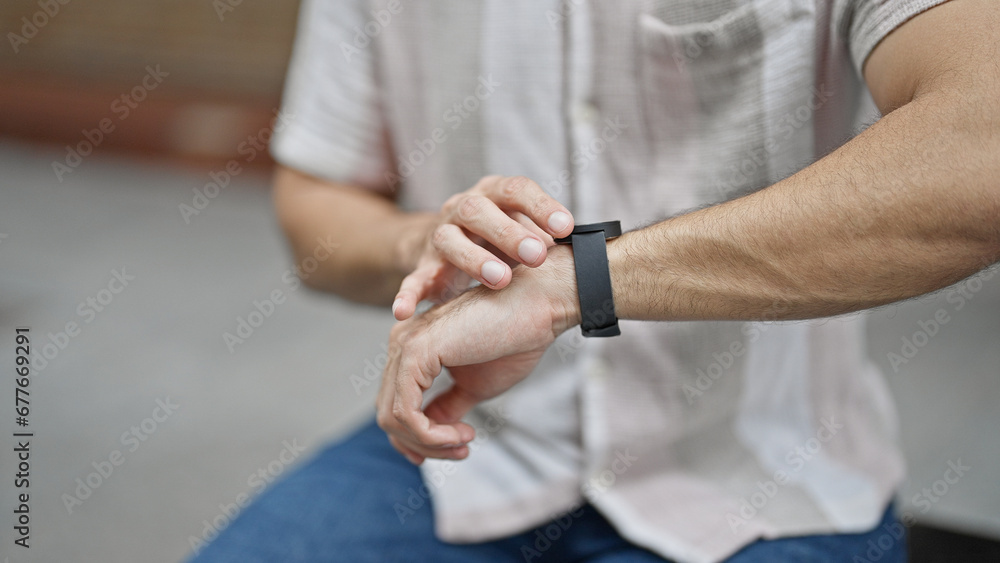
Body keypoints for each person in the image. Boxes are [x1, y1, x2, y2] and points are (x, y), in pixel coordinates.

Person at [191, 0, 999, 561]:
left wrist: (572, 285)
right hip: (467, 456)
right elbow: (312, 207)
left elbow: (982, 152)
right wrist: (442, 245)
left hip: (763, 479)